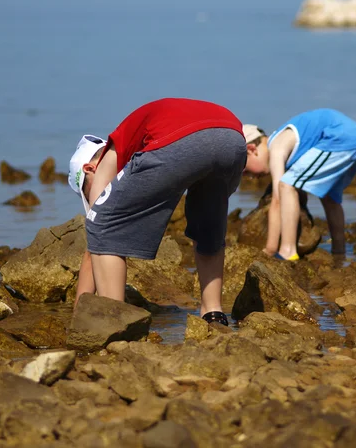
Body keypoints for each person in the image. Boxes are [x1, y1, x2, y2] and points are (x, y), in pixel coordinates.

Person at [68, 97, 247, 326]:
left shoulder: (108, 156)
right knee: (208, 224)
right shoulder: (133, 138)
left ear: (89, 169)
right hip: (232, 137)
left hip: (179, 138)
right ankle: (213, 313)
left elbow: (97, 232)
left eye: (85, 189)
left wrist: (78, 315)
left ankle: (115, 322)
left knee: (102, 224)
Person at [243, 109, 356, 260]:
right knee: (329, 196)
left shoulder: (276, 148)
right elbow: (298, 193)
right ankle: (339, 251)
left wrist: (270, 249)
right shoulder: (288, 147)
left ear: (251, 150)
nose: (249, 177)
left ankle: (287, 251)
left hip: (339, 139)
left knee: (285, 185)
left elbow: (278, 200)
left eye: (245, 170)